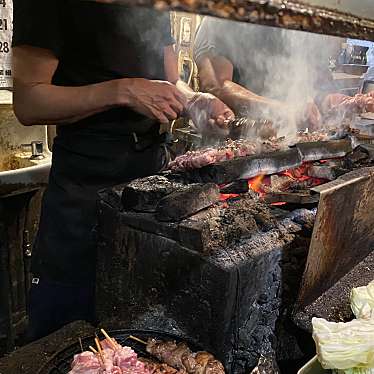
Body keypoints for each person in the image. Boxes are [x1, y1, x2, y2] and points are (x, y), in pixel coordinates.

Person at [12, 0, 234, 340]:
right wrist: (123, 91)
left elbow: (172, 82)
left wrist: (194, 100)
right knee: (67, 331)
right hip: (86, 191)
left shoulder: (155, 5)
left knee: (142, 324)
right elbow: (29, 102)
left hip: (152, 183)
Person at [194, 17, 342, 131]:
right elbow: (218, 86)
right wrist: (283, 109)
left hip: (288, 139)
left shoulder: (293, 25)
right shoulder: (222, 16)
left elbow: (313, 80)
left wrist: (329, 100)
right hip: (233, 140)